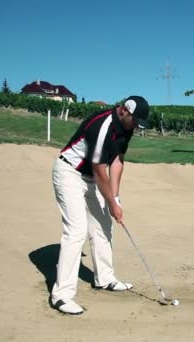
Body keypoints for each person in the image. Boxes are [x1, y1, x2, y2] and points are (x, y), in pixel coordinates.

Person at [50, 95, 149, 315]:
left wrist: (116, 196)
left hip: (92, 178)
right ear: (124, 110)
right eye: (135, 120)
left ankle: (104, 279)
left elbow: (117, 161)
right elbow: (98, 169)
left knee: (103, 225)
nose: (136, 126)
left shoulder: (128, 127)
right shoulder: (101, 125)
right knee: (76, 230)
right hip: (70, 173)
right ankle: (62, 295)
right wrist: (112, 203)